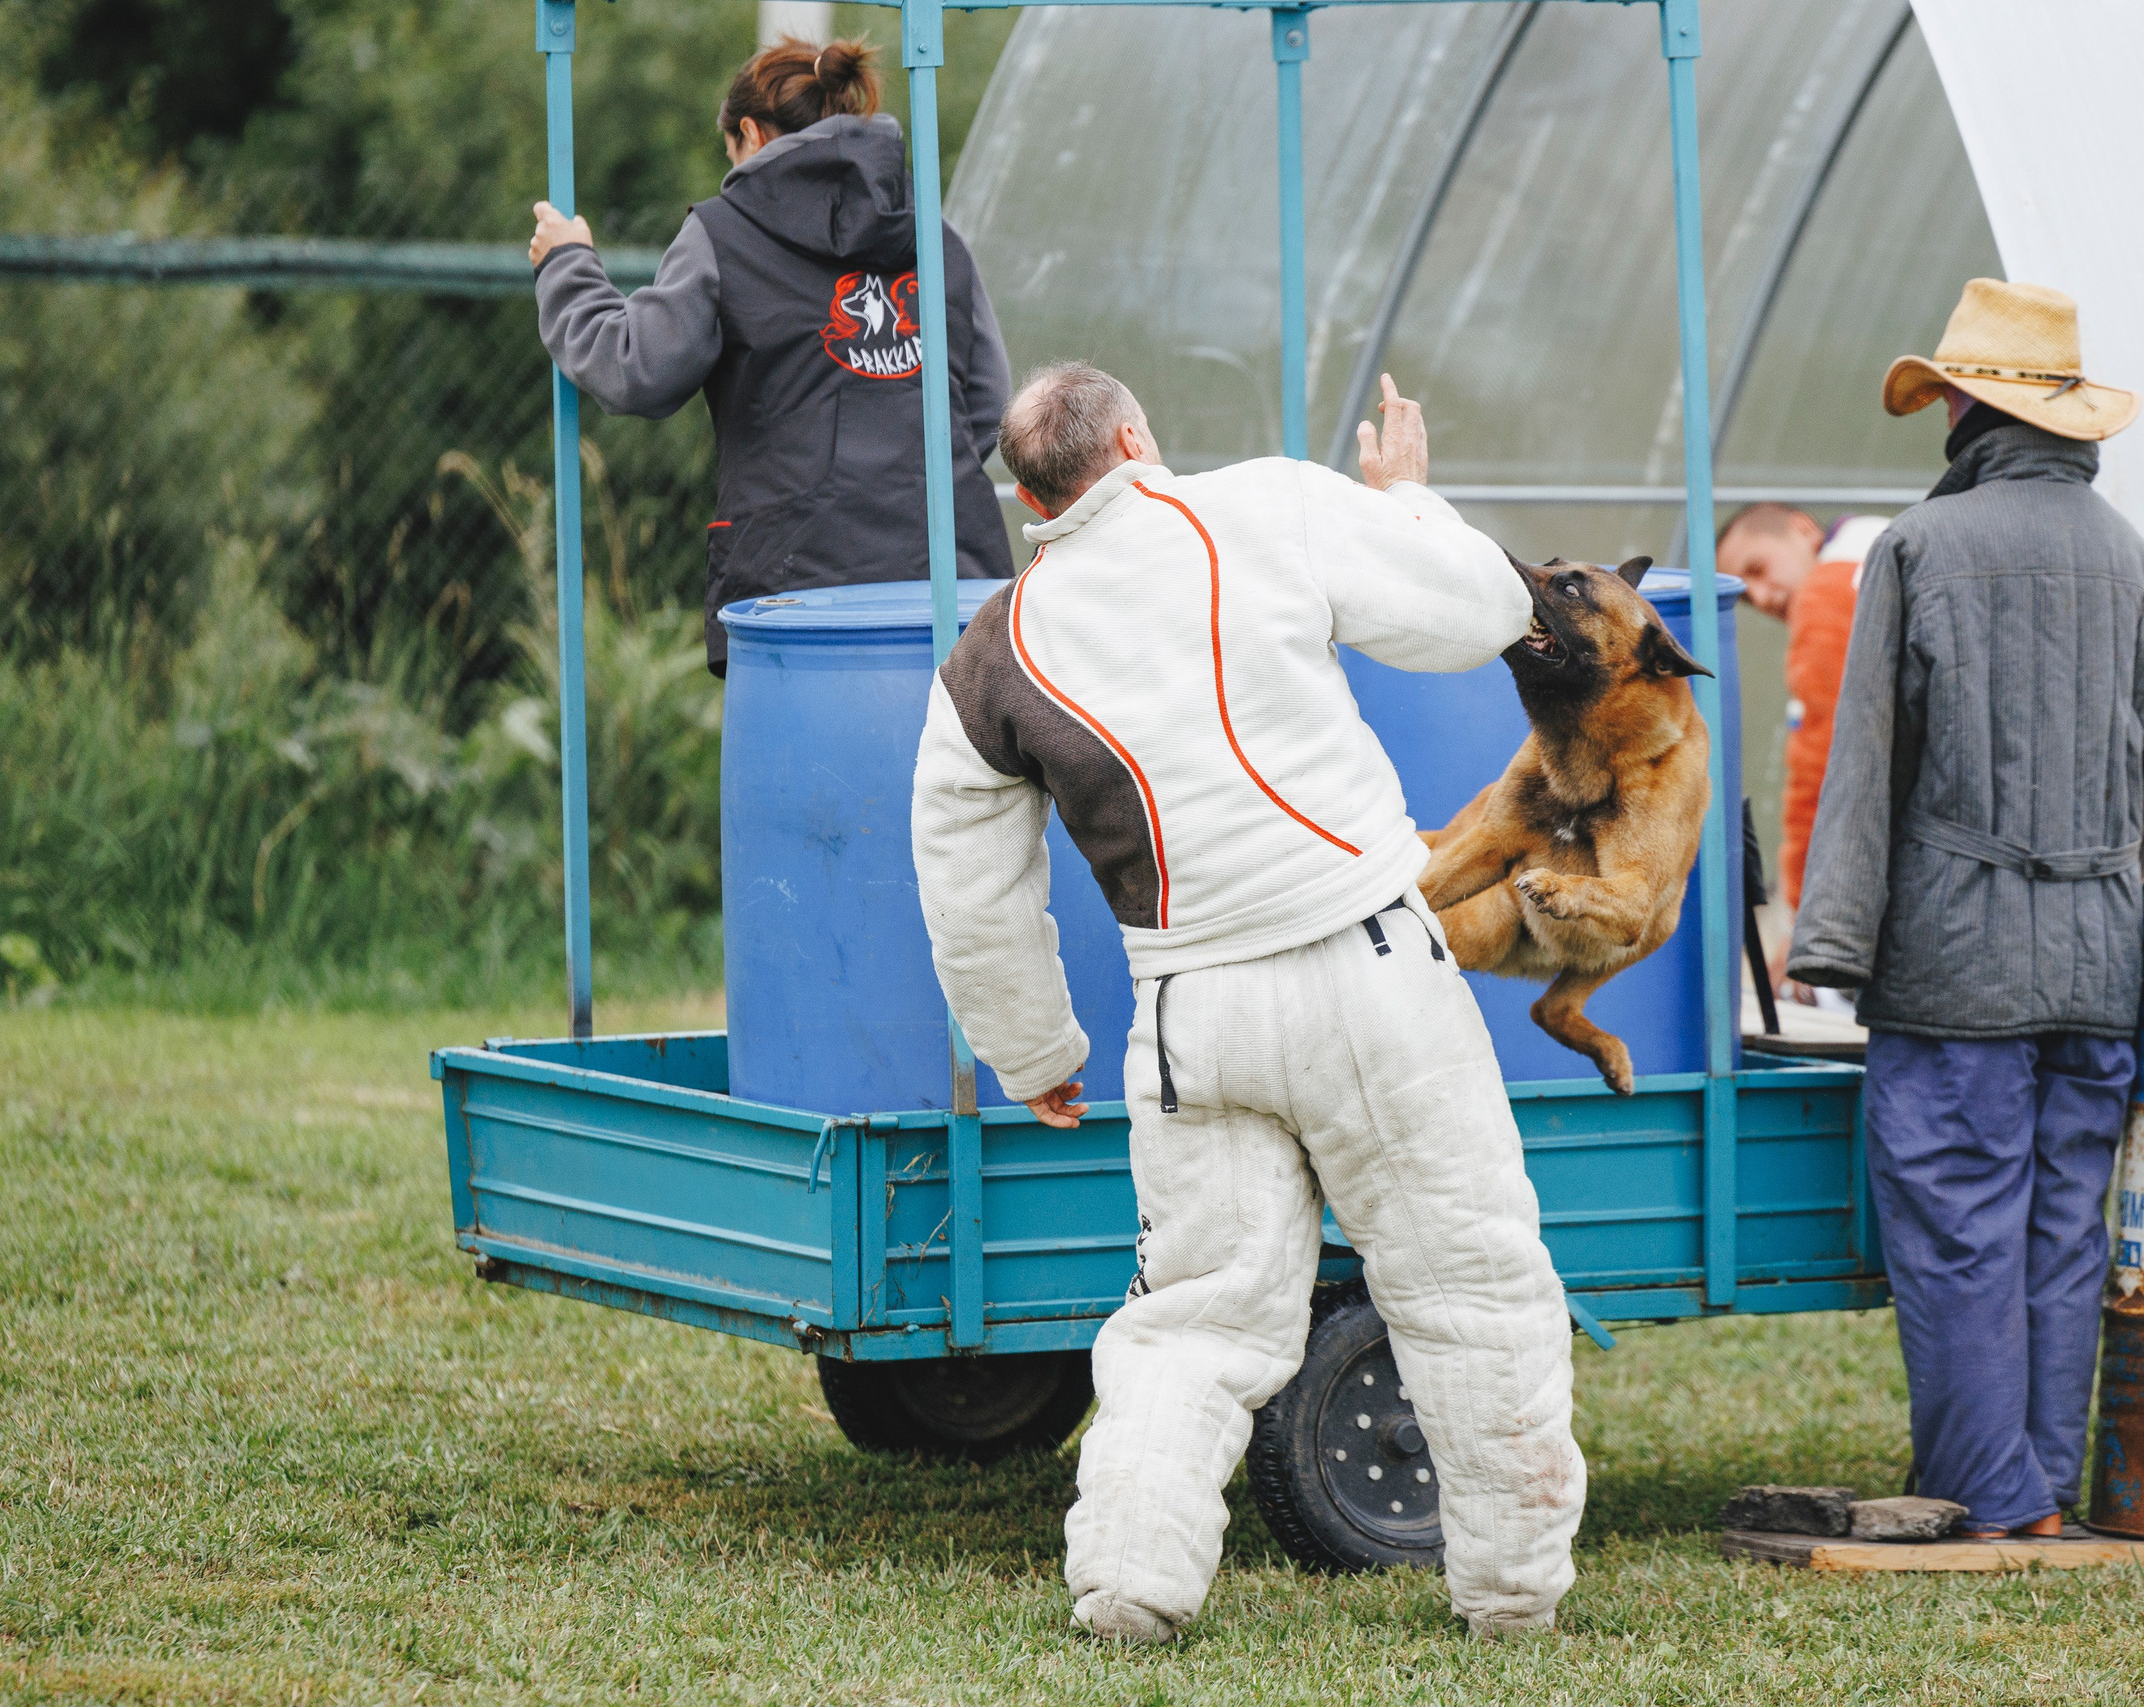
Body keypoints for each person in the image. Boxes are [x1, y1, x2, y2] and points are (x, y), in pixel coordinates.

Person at [910, 364, 1583, 1642]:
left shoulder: (990, 653)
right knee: (1468, 1285)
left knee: (1192, 1322)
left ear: (1027, 494)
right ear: (1134, 435)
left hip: (1186, 1015)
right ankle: (1509, 1597)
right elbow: (1480, 609)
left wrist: (1032, 1049)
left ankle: (1129, 1584)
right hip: (1367, 971)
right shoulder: (1260, 508)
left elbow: (966, 884)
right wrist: (1409, 505)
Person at [1787, 279, 2144, 1539]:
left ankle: (1988, 1495)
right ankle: (2037, 1491)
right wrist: (2099, 870)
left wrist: (1833, 945)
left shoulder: (1920, 549)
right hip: (2093, 954)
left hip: (1956, 955)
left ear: (1962, 405)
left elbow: (1868, 762)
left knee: (1959, 1219)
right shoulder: (2139, 564)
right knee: (2062, 1228)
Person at [527, 38, 1013, 676]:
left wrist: (567, 266)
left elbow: (636, 369)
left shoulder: (724, 233)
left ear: (750, 132)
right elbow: (985, 399)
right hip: (955, 590)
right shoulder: (935, 235)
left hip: (795, 599)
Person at [1716, 503, 1889, 1000]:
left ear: (1802, 529)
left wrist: (1806, 923)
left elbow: (1822, 764)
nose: (1763, 596)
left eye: (1757, 568)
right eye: (1746, 596)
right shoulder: (1901, 553)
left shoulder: (1828, 590)